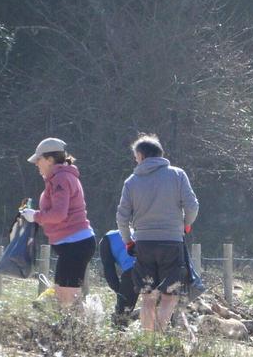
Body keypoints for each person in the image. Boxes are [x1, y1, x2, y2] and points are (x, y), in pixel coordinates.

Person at [116, 133, 199, 332]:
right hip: (172, 243)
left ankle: (147, 340)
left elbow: (121, 217)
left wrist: (128, 241)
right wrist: (185, 225)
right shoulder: (178, 175)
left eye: (135, 156)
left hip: (144, 244)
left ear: (142, 156)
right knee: (170, 296)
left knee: (147, 296)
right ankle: (160, 337)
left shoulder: (131, 181)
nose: (135, 160)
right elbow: (193, 206)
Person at [19, 138, 96, 307]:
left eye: (38, 160)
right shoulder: (59, 178)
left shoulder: (61, 178)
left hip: (75, 244)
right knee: (62, 294)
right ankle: (75, 328)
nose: (36, 164)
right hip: (73, 244)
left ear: (49, 159)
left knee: (68, 299)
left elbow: (59, 214)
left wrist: (36, 216)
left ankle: (80, 329)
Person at [99, 229, 138, 325]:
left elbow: (109, 272)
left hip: (132, 269)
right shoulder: (137, 231)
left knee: (121, 319)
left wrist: (119, 292)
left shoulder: (106, 239)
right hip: (152, 266)